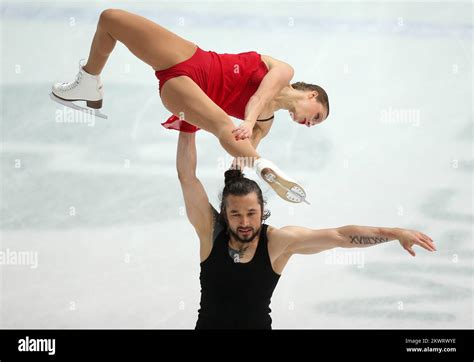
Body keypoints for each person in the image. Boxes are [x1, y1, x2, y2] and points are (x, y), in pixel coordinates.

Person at [50, 8, 329, 203]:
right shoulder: (284, 71)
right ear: (312, 95)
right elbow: (259, 97)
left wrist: (239, 169)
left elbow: (240, 152)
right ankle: (88, 80)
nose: (309, 124)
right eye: (315, 117)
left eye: (313, 124)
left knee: (223, 126)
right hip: (193, 60)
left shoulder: (264, 124)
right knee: (110, 20)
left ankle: (266, 168)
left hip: (184, 94)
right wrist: (247, 122)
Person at [176, 131, 436, 329]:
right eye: (235, 214)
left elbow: (340, 236)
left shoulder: (277, 242)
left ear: (262, 209)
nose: (244, 222)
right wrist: (187, 126)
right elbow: (187, 177)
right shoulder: (211, 232)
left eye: (251, 213)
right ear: (224, 214)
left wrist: (394, 233)